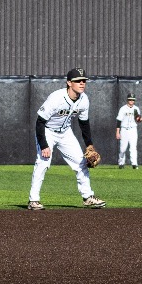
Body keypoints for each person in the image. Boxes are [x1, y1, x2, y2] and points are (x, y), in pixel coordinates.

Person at [29, 68, 104, 210]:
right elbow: (40, 122)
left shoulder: (84, 100)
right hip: (47, 131)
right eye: (78, 81)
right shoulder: (56, 98)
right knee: (43, 163)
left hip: (65, 133)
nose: (82, 83)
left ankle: (88, 197)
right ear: (69, 83)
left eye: (84, 81)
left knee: (81, 163)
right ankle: (33, 200)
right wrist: (44, 145)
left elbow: (84, 123)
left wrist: (89, 145)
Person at [115, 93, 142, 168]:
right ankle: (121, 163)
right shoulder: (123, 108)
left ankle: (134, 164)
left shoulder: (136, 109)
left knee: (133, 147)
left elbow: (138, 119)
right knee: (122, 149)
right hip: (124, 130)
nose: (131, 101)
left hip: (133, 129)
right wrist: (117, 132)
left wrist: (140, 119)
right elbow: (119, 121)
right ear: (127, 100)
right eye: (130, 99)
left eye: (133, 100)